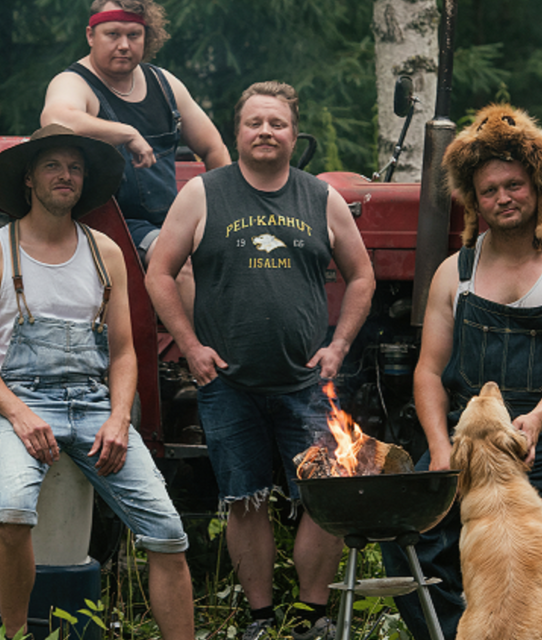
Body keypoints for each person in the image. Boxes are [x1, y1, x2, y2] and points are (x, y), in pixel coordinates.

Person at [145, 81, 377, 640]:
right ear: (237, 132)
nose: (266, 132)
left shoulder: (319, 198)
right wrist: (191, 345)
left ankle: (312, 616)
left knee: (324, 496)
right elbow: (159, 273)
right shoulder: (203, 193)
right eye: (255, 123)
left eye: (277, 123)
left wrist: (339, 344)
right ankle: (259, 617)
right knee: (244, 499)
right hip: (228, 383)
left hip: (306, 382)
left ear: (295, 135)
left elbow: (363, 276)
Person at [382, 104, 542, 640]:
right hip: (475, 438)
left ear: (538, 184)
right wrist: (441, 449)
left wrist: (535, 420)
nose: (502, 198)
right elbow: (428, 371)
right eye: (488, 190)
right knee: (404, 533)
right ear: (473, 199)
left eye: (513, 185)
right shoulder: (456, 272)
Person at [0, 124, 195, 640]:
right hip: (17, 401)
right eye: (52, 166)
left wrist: (117, 418)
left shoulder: (106, 252)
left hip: (93, 406)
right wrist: (20, 415)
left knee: (168, 532)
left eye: (75, 168)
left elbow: (126, 352)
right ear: (29, 179)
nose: (65, 176)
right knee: (15, 510)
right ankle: (16, 633)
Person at [42, 0, 230, 316]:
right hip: (108, 225)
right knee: (176, 262)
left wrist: (225, 214)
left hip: (170, 221)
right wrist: (126, 132)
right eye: (112, 34)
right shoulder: (74, 82)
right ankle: (207, 358)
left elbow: (214, 149)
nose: (124, 45)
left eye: (134, 35)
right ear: (91, 35)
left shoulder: (164, 84)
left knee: (243, 248)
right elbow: (56, 118)